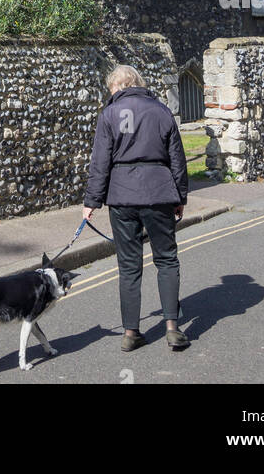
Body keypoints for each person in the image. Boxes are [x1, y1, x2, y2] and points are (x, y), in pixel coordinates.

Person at [83, 63, 190, 351]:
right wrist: (180, 196)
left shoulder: (109, 114)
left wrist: (91, 201)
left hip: (122, 197)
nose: (111, 94)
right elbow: (177, 159)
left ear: (120, 86)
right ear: (138, 83)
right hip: (159, 193)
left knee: (129, 266)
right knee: (166, 259)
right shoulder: (161, 111)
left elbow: (100, 162)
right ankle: (172, 328)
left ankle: (131, 333)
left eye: (111, 89)